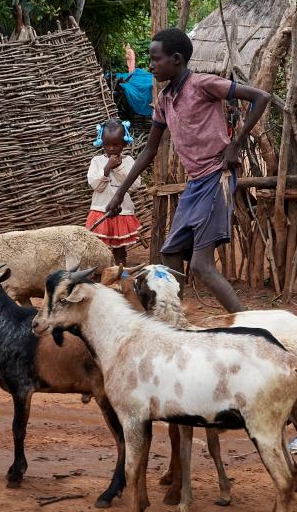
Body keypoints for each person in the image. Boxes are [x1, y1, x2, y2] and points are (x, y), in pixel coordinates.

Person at [104, 27, 270, 313]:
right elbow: (149, 151)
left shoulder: (204, 84)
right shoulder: (165, 102)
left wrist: (236, 144)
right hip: (195, 185)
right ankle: (176, 321)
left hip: (217, 178)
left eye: (156, 60)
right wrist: (119, 194)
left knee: (201, 265)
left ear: (177, 59)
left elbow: (261, 97)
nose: (151, 66)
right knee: (170, 254)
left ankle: (249, 326)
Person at [87, 118, 142, 265]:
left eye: (116, 144)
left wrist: (118, 168)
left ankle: (120, 270)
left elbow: (135, 185)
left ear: (124, 143)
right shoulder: (96, 161)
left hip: (122, 211)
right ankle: (102, 273)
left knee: (119, 248)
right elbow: (95, 185)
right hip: (100, 209)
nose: (111, 148)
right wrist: (107, 168)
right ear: (102, 143)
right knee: (99, 246)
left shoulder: (129, 161)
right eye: (107, 144)